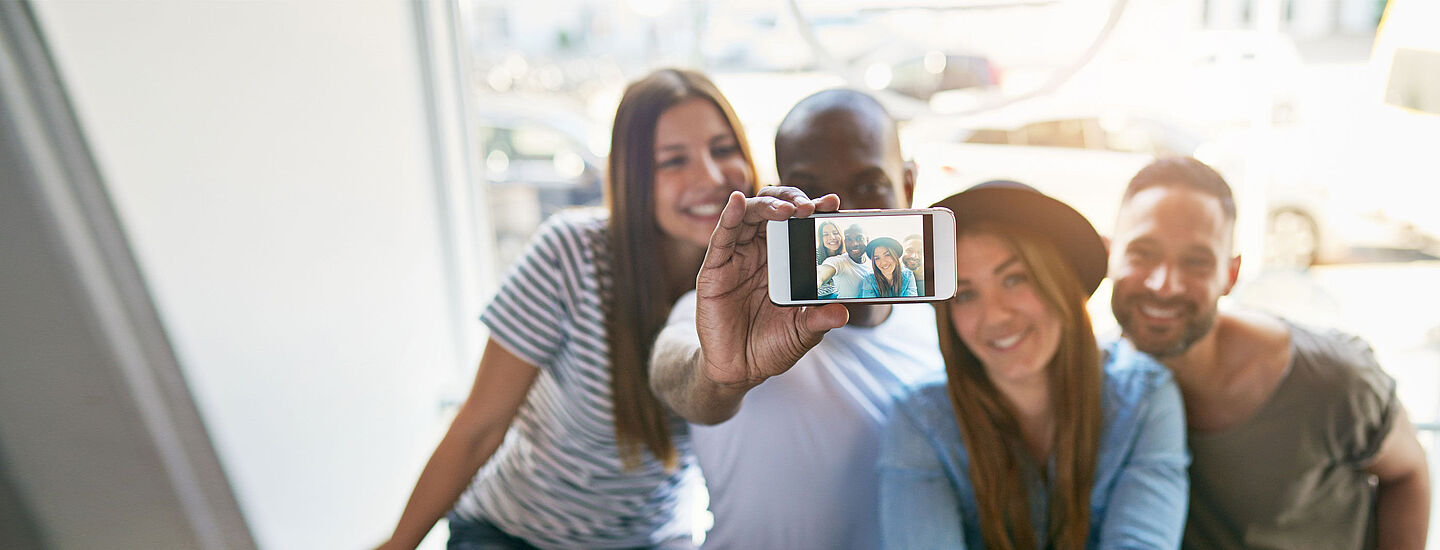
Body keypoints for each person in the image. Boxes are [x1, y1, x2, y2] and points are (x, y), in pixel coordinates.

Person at [377, 68, 757, 550]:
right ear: (633, 178)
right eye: (672, 160)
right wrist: (396, 545)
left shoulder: (756, 276)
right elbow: (479, 427)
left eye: (723, 149)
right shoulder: (570, 253)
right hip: (518, 535)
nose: (710, 176)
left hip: (654, 538)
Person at [648, 88, 941, 549]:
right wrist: (719, 375)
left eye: (868, 185)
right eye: (810, 188)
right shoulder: (733, 314)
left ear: (907, 186)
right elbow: (674, 375)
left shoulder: (941, 331)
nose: (839, 211)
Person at [1106, 157, 1430, 550]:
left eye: (1196, 262)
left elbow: (1408, 472)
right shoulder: (1088, 382)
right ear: (1110, 254)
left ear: (1230, 275)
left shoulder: (1331, 380)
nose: (1164, 284)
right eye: (1143, 252)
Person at [879, 182, 1190, 550]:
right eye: (965, 294)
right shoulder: (921, 419)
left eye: (1015, 279)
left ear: (1060, 281)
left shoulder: (1145, 399)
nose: (994, 316)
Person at [817, 223, 872, 298]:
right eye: (849, 239)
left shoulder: (874, 261)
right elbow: (822, 272)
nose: (854, 244)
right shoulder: (836, 261)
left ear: (867, 240)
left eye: (859, 238)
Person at [817, 220, 844, 299]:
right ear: (821, 238)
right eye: (826, 234)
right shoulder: (815, 254)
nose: (832, 237)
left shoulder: (846, 255)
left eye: (835, 233)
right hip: (819, 297)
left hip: (838, 296)